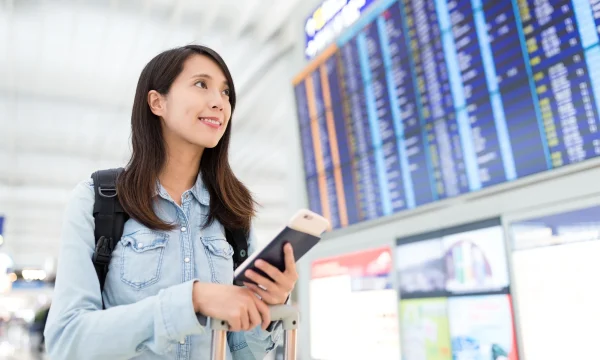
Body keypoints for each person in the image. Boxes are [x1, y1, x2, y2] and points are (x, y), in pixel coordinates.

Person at [44, 45, 299, 360]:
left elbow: (243, 353)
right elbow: (67, 342)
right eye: (201, 84)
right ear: (157, 102)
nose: (219, 102)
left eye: (226, 93)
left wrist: (269, 308)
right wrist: (190, 300)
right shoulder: (97, 200)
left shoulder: (232, 212)